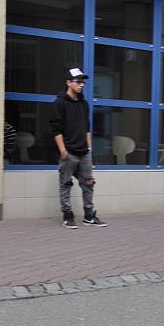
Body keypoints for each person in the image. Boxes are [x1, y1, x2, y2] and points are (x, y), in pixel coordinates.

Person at [50, 68, 106, 229]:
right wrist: (62, 150)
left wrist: (88, 147)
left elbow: (87, 126)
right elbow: (55, 128)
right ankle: (68, 216)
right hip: (68, 152)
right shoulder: (60, 103)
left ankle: (89, 216)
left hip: (84, 153)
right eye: (78, 81)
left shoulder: (84, 103)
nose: (81, 85)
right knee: (66, 184)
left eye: (83, 82)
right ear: (68, 82)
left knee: (88, 183)